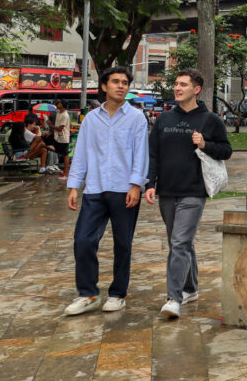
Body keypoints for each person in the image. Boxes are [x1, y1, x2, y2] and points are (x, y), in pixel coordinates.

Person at [144, 68, 232, 319]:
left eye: (183, 84)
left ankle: (174, 298)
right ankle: (191, 288)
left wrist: (206, 144)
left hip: (194, 191)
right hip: (167, 191)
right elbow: (153, 154)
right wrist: (150, 183)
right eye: (176, 84)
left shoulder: (210, 120)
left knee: (179, 242)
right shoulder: (163, 120)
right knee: (180, 241)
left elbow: (226, 151)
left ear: (196, 89)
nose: (177, 88)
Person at [64, 67, 148, 316]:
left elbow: (141, 154)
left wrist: (136, 185)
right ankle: (88, 293)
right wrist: (73, 186)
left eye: (124, 82)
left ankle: (117, 294)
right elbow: (81, 154)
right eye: (115, 82)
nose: (121, 86)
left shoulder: (136, 118)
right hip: (95, 189)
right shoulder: (91, 119)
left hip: (125, 190)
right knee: (83, 241)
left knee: (123, 244)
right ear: (103, 86)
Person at [53, 100, 72, 178]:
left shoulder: (65, 115)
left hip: (63, 137)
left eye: (60, 103)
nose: (58, 104)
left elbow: (60, 128)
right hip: (57, 136)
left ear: (63, 105)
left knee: (65, 154)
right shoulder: (58, 113)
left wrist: (50, 125)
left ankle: (66, 173)